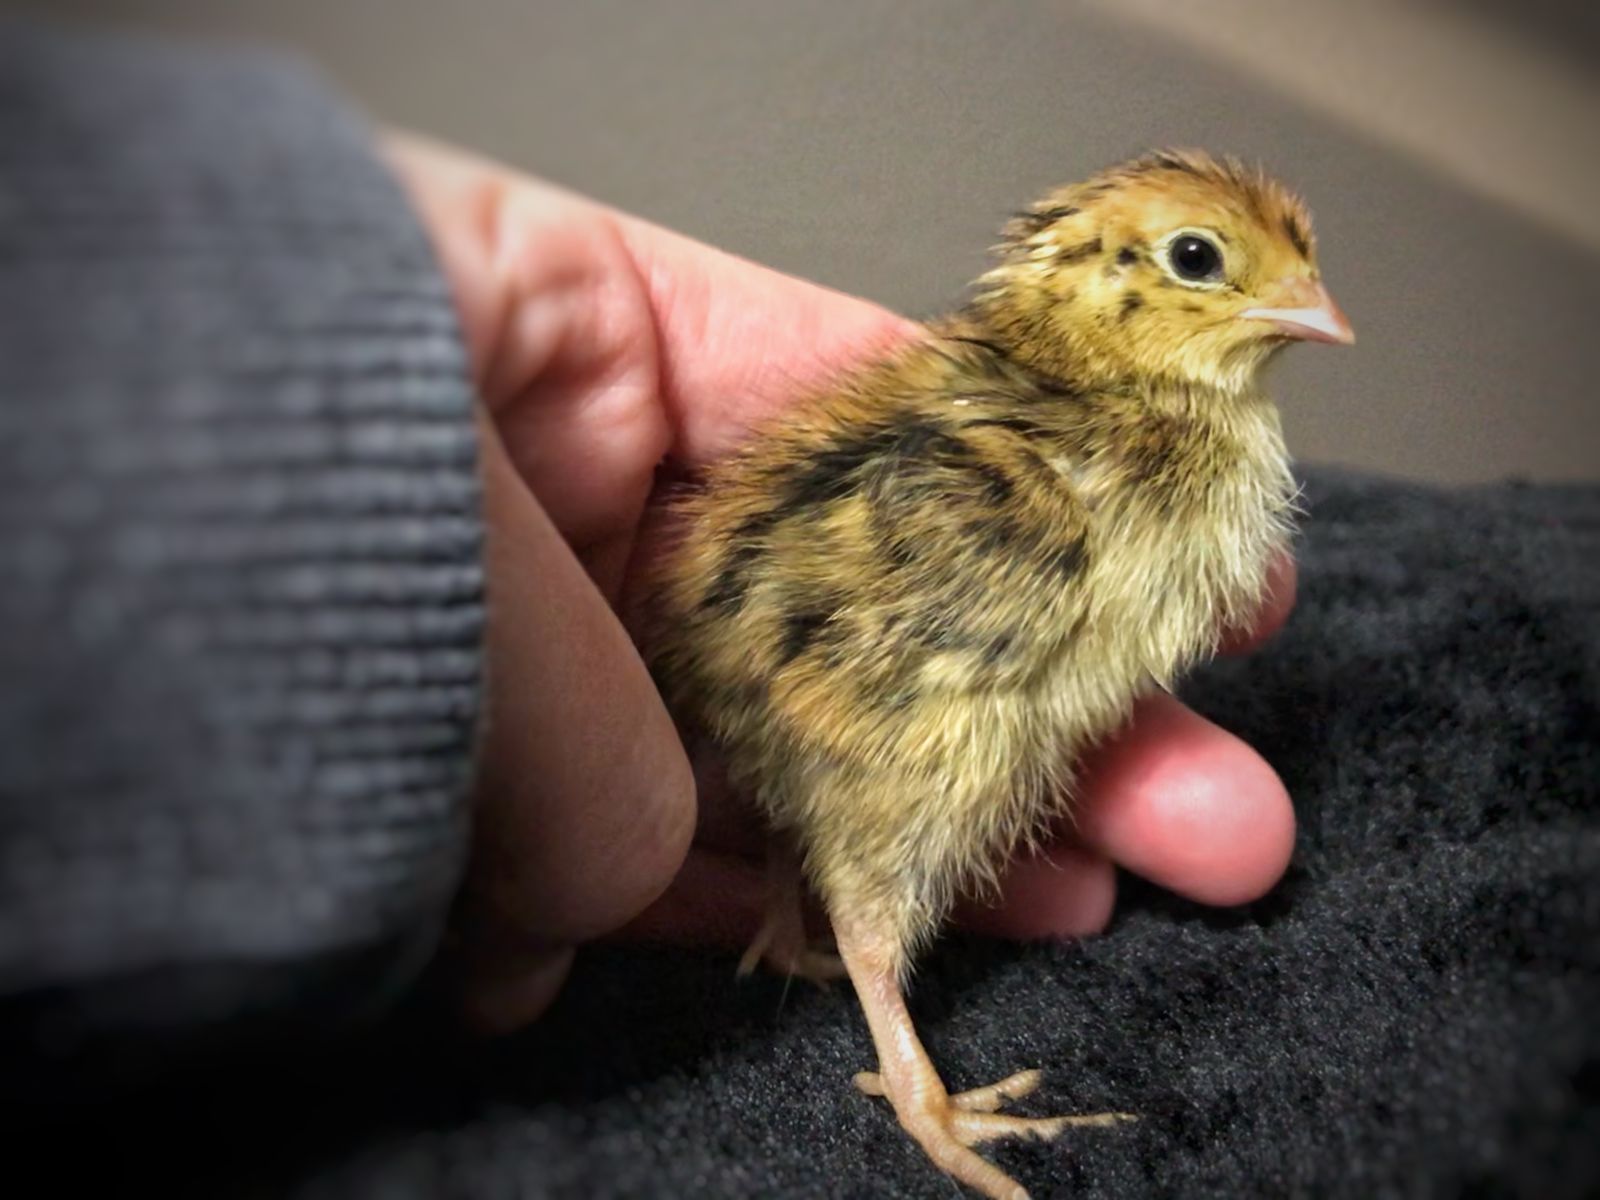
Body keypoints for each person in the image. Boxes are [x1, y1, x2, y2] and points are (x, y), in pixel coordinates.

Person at [0, 16, 1294, 1090]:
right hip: (832, 693)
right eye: (1206, 265)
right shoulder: (1062, 482)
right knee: (899, 820)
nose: (1294, 303)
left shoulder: (1060, 449)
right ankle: (911, 1080)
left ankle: (795, 900)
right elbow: (863, 688)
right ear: (1094, 280)